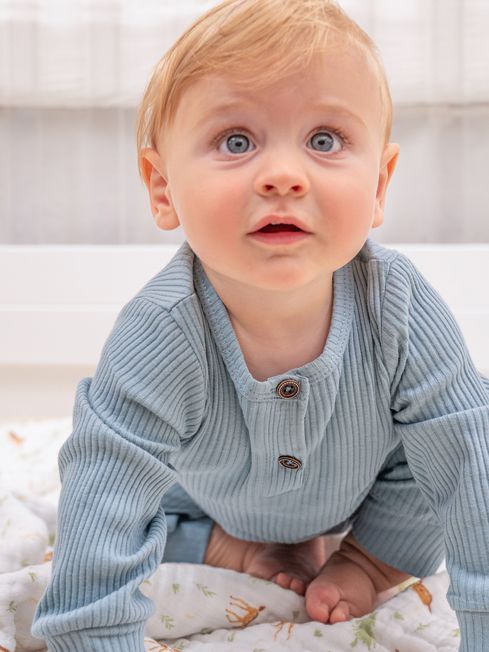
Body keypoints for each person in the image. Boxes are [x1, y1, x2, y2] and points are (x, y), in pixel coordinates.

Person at [31, 0, 489, 650]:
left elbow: (470, 465)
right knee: (115, 502)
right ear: (162, 187)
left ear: (379, 186)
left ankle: (367, 561)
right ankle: (230, 546)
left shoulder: (399, 307)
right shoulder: (159, 334)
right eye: (236, 142)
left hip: (366, 493)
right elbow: (105, 503)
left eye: (323, 140)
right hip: (201, 494)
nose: (282, 177)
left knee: (445, 461)